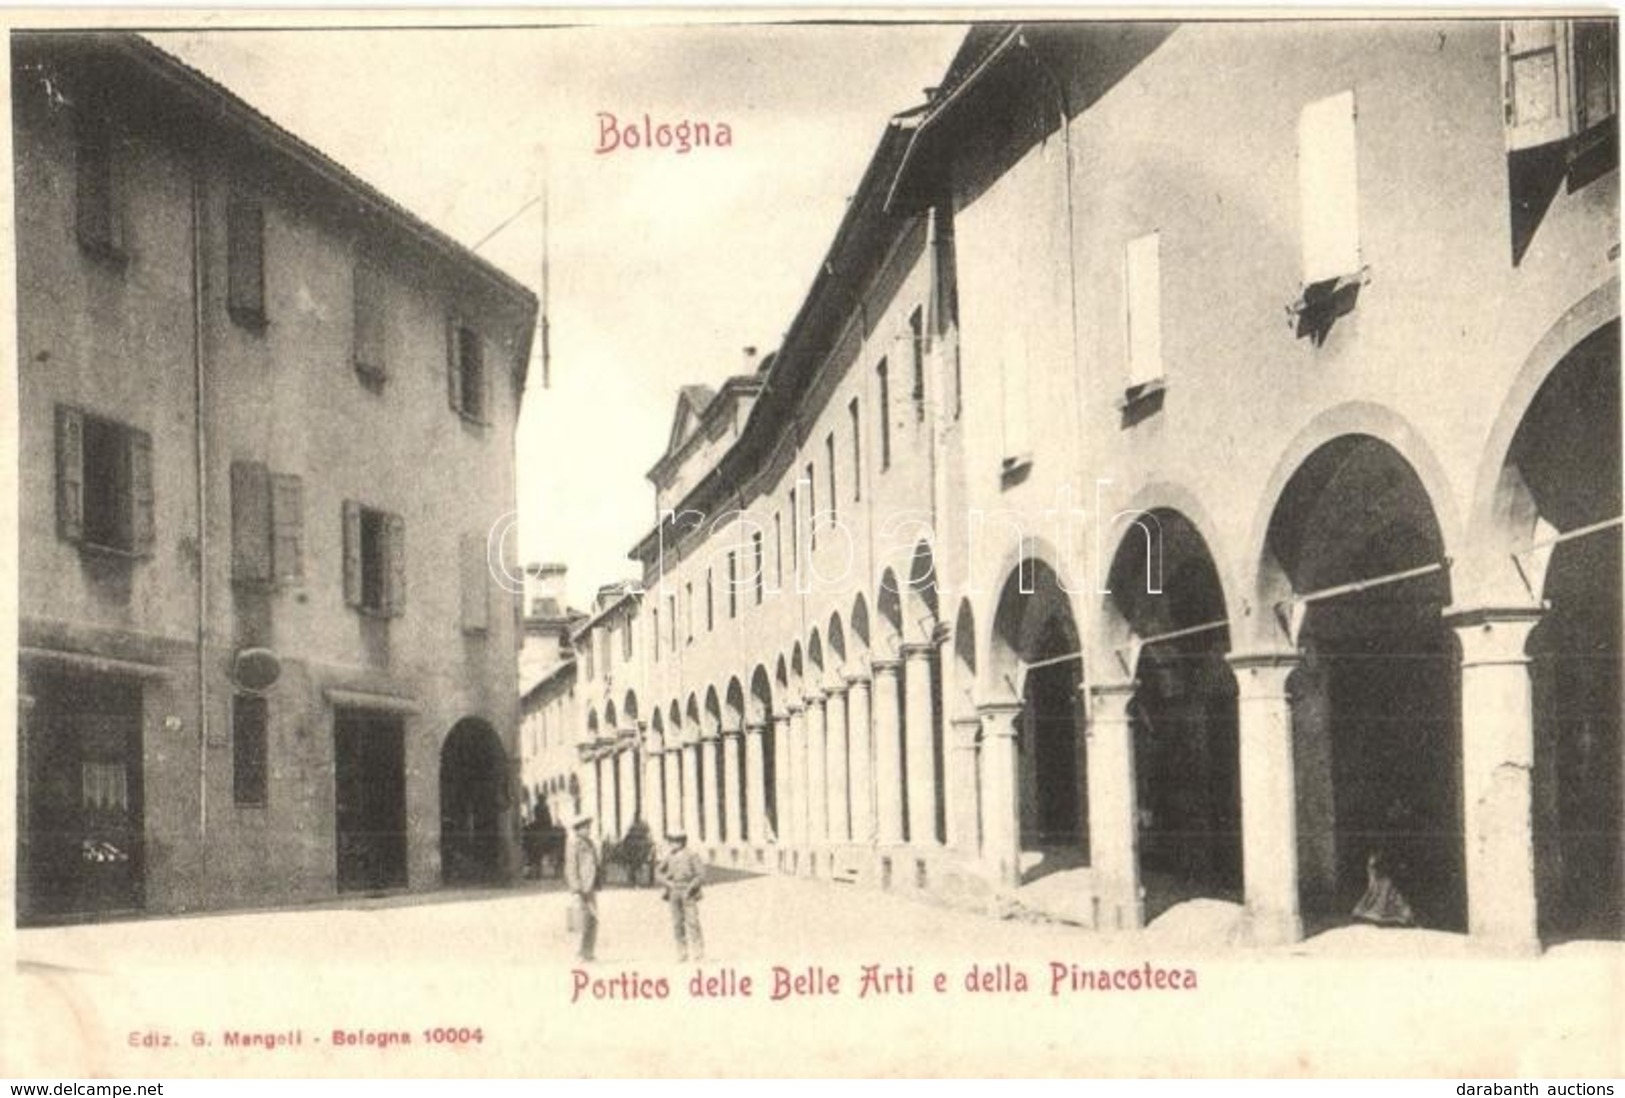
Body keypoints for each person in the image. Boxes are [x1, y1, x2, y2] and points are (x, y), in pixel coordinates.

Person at [657, 830, 706, 962]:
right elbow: (658, 872)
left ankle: (698, 951)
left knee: (693, 922)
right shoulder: (669, 857)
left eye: (675, 841)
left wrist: (691, 887)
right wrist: (667, 883)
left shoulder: (692, 855)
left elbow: (701, 875)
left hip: (688, 892)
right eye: (671, 841)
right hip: (674, 892)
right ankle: (682, 952)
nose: (672, 844)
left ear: (682, 842)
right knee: (677, 923)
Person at [564, 812, 601, 962]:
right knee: (580, 921)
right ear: (577, 829)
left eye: (588, 827)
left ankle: (589, 951)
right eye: (584, 827)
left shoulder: (590, 842)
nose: (587, 830)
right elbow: (571, 866)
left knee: (593, 919)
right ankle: (580, 952)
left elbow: (594, 863)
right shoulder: (573, 843)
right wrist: (575, 888)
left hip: (590, 885)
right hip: (581, 888)